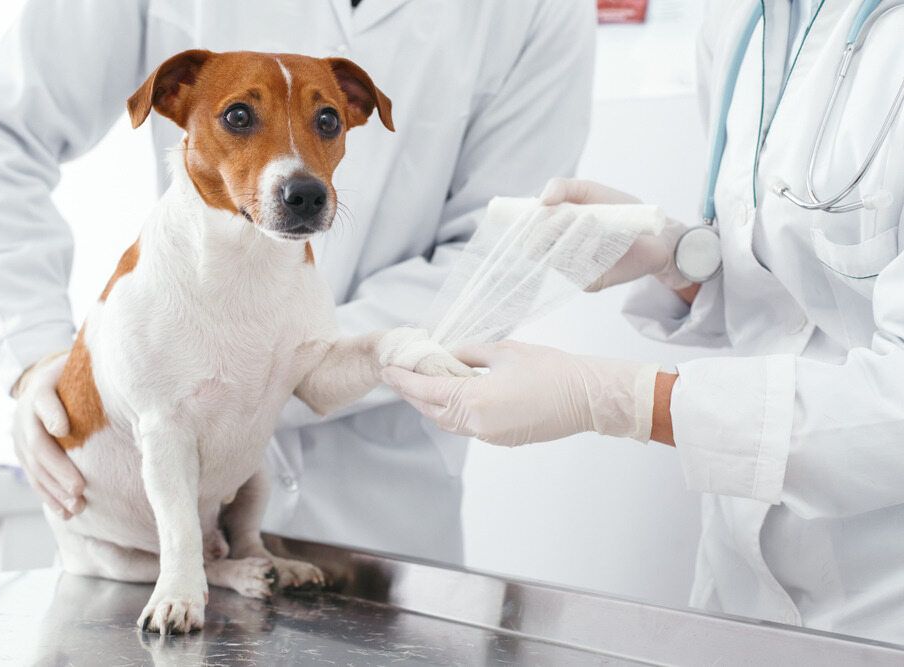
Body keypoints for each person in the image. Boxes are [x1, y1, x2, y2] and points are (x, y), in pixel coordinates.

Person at [0, 0, 595, 564]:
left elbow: (503, 253)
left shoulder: (536, 9)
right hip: (140, 519)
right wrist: (34, 354)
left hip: (381, 513)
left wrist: (275, 360)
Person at [383, 0, 904, 644]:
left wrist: (622, 401)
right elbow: (795, 301)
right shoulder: (745, 20)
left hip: (883, 593)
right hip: (739, 580)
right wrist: (679, 257)